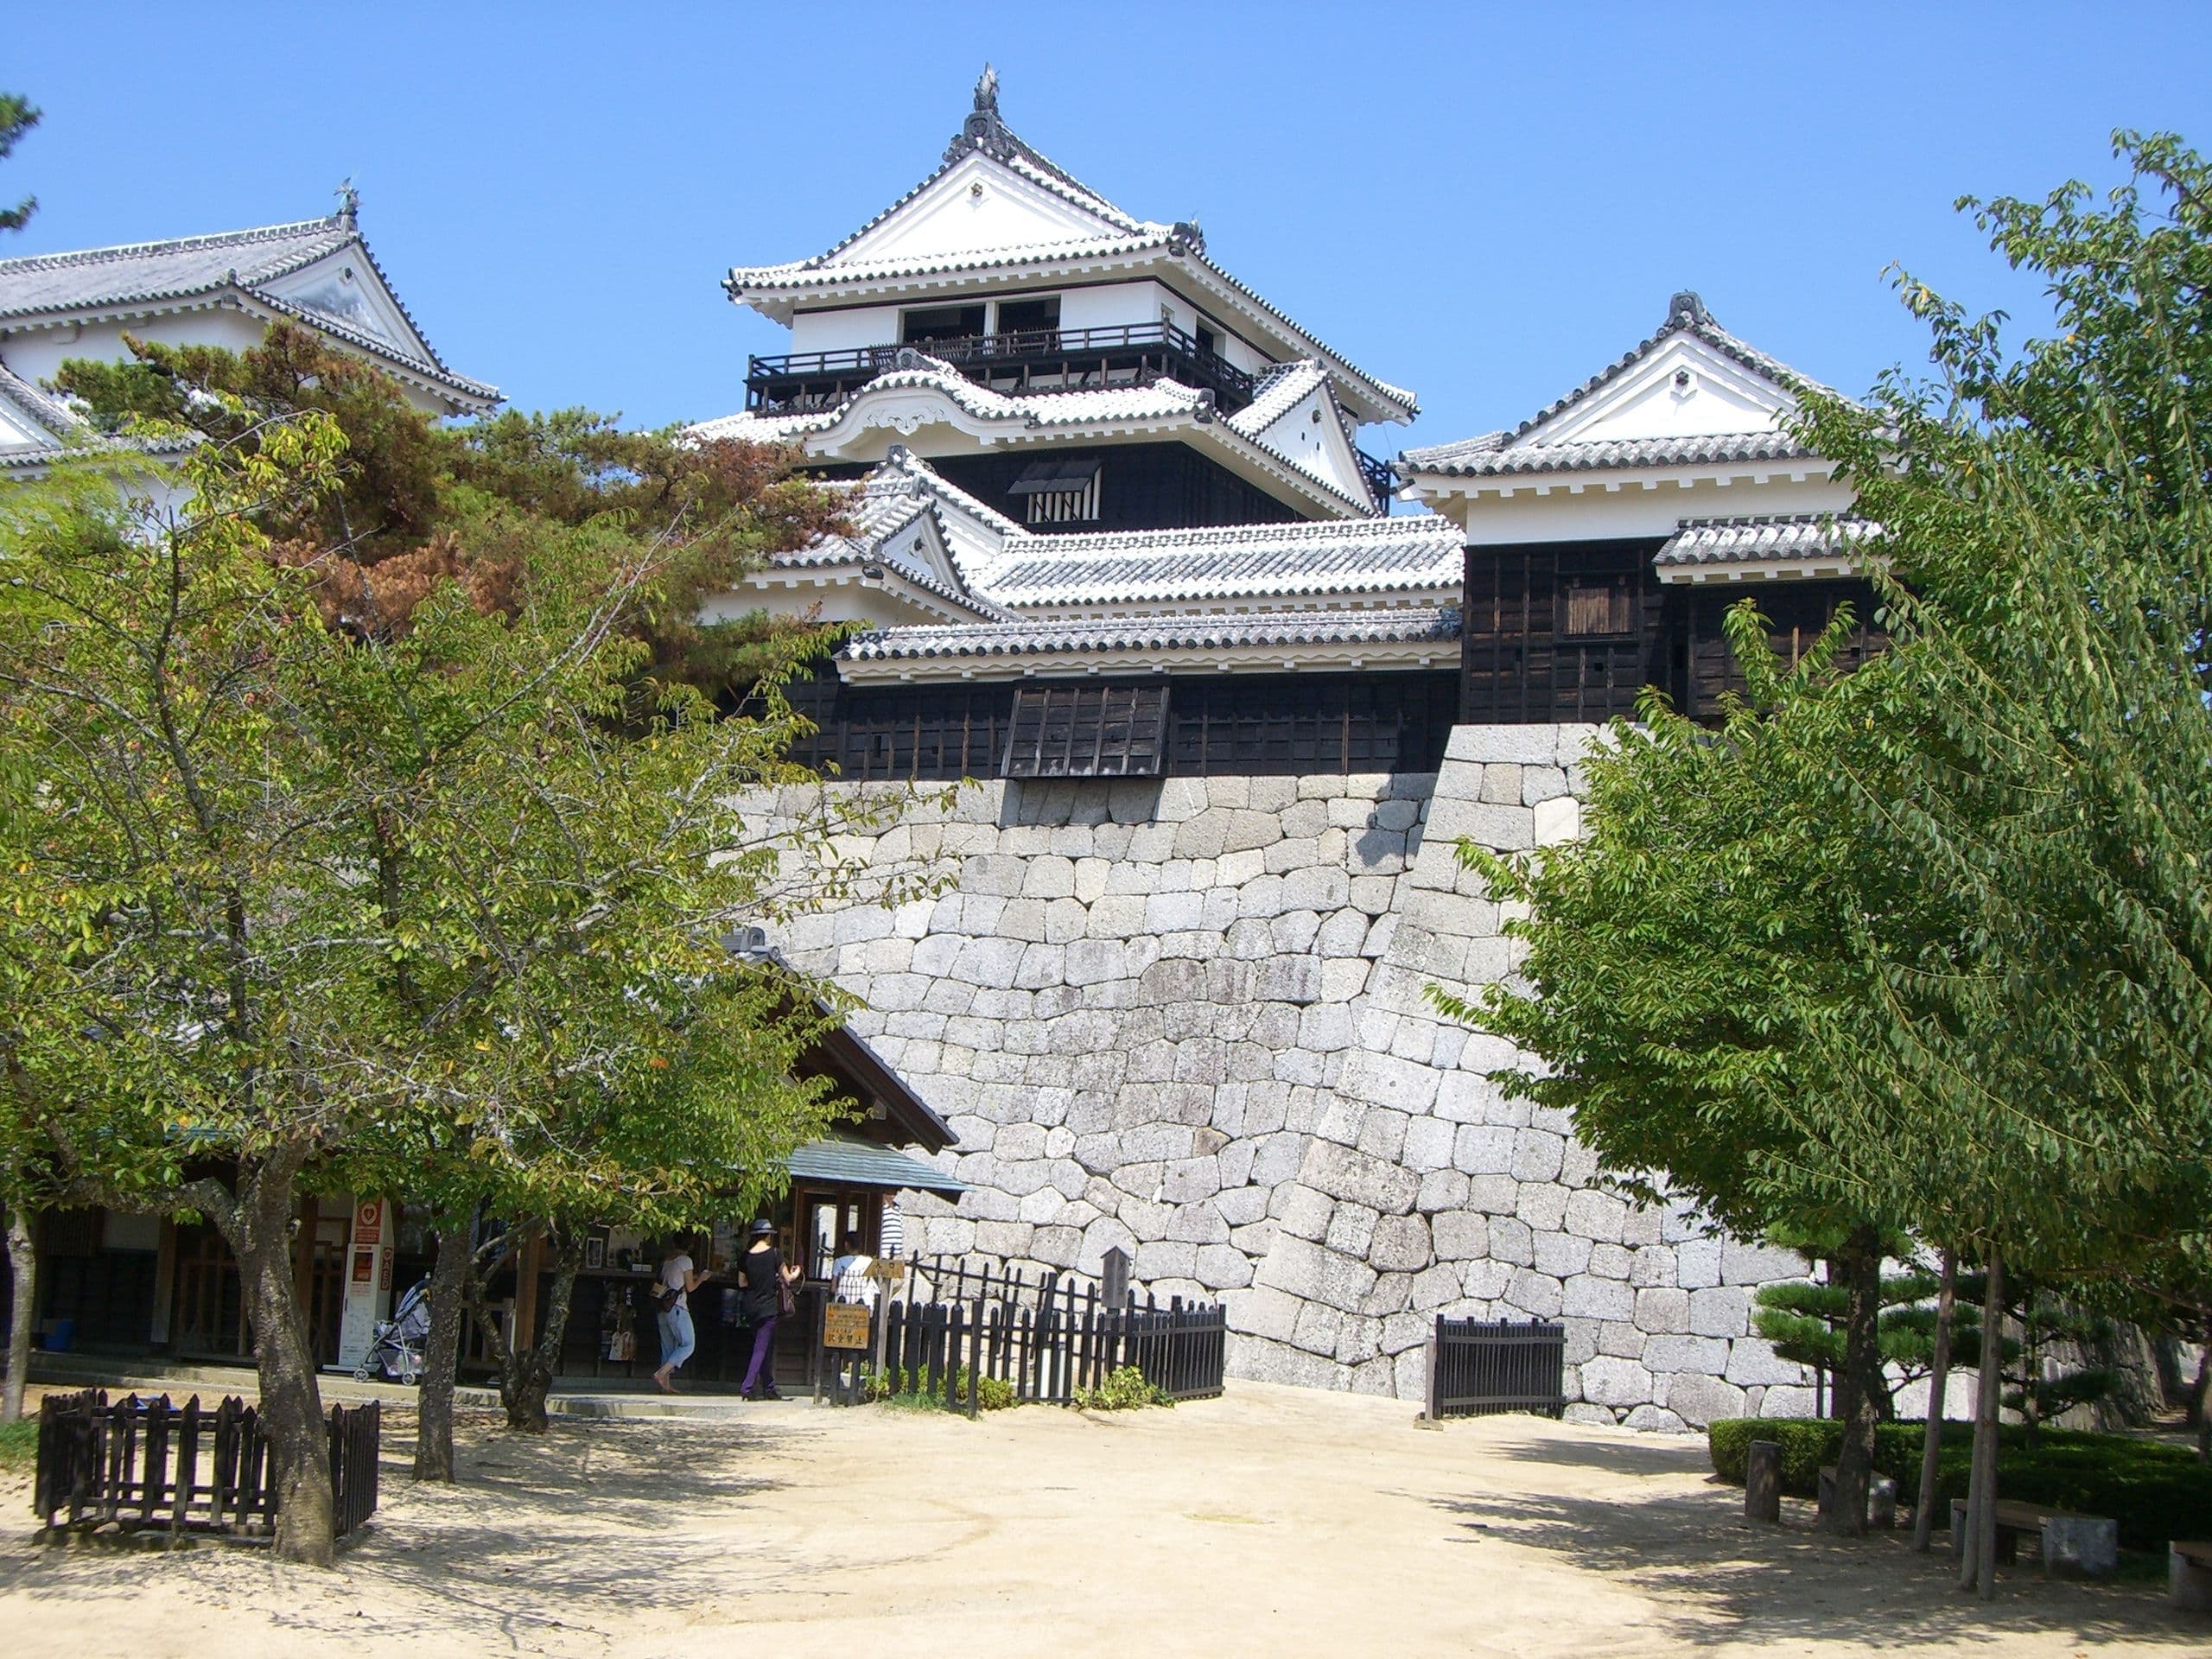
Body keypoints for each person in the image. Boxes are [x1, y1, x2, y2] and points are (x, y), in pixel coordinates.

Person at [737, 1218, 798, 1401]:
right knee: (760, 1349)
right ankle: (747, 1386)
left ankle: (769, 1387)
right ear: (768, 1236)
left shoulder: (745, 1257)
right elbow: (788, 1278)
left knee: (763, 1347)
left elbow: (742, 1283)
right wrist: (796, 1272)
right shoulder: (775, 1254)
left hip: (750, 1306)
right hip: (768, 1306)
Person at [651, 1241, 715, 1395]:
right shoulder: (685, 1260)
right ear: (690, 1246)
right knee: (688, 1344)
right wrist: (702, 1278)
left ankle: (665, 1385)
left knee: (667, 1347)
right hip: (678, 1307)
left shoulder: (667, 1261)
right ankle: (661, 1373)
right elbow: (690, 1287)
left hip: (663, 1307)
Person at [830, 1231, 878, 1308]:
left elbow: (833, 1288)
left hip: (842, 1304)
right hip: (862, 1304)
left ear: (846, 1244)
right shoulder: (869, 1261)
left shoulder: (839, 1262)